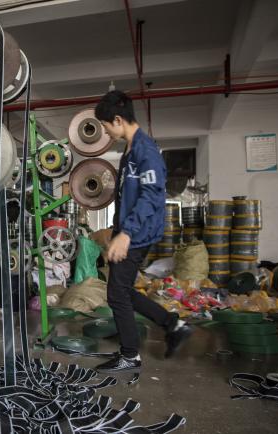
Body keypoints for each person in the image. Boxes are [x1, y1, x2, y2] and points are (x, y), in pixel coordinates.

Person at [93, 90, 192, 373]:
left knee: (116, 294)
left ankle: (130, 355)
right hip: (129, 229)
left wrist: (127, 234)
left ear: (117, 119)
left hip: (139, 232)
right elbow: (126, 195)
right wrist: (117, 229)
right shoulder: (130, 148)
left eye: (105, 126)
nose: (105, 132)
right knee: (121, 290)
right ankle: (173, 324)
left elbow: (151, 197)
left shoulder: (145, 151)